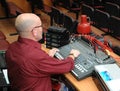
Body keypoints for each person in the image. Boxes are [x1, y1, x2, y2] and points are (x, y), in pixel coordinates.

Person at [5, 13, 80, 91]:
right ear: (34, 31)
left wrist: (48, 58)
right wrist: (72, 55)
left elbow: (32, 66)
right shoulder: (35, 56)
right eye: (40, 26)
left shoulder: (11, 48)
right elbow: (66, 66)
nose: (42, 28)